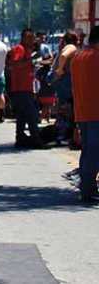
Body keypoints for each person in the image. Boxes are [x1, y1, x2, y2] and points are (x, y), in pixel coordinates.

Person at [70, 26, 99, 203]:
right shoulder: (96, 57)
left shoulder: (78, 56)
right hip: (96, 111)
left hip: (82, 111)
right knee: (94, 151)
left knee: (88, 150)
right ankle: (88, 189)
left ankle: (86, 186)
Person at [7, 28, 43, 148]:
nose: (31, 40)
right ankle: (36, 140)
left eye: (32, 38)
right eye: (29, 38)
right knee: (32, 115)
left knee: (22, 116)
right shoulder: (20, 49)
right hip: (20, 88)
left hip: (25, 88)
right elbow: (15, 63)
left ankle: (20, 138)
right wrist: (30, 61)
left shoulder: (28, 51)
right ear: (23, 38)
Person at [52, 31, 79, 145]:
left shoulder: (63, 48)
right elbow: (64, 56)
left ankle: (62, 135)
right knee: (68, 109)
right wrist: (60, 69)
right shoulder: (71, 47)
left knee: (63, 109)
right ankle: (65, 136)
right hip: (66, 83)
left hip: (62, 83)